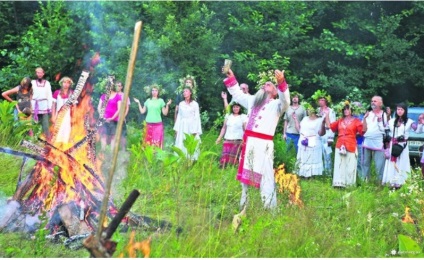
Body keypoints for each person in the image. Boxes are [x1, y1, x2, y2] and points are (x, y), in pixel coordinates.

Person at [223, 68, 290, 210]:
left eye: (269, 84)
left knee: (266, 176)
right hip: (249, 143)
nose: (265, 85)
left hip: (263, 145)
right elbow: (237, 94)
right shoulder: (253, 100)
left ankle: (269, 208)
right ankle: (244, 205)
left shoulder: (277, 105)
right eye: (264, 84)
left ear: (274, 91)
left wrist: (281, 82)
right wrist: (232, 77)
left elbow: (286, 101)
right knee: (245, 177)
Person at [327, 101, 363, 187]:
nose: (346, 111)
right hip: (340, 144)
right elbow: (331, 127)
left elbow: (362, 132)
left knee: (350, 164)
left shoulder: (356, 121)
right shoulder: (340, 120)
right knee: (339, 164)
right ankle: (339, 183)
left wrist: (364, 119)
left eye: (348, 109)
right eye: (344, 109)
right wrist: (327, 115)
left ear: (352, 110)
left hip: (350, 144)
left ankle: (349, 184)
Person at [382, 103, 418, 188]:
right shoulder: (391, 121)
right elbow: (385, 129)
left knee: (402, 162)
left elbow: (416, 128)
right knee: (392, 163)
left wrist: (420, 122)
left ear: (405, 111)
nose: (399, 111)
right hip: (393, 144)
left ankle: (401, 182)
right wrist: (387, 117)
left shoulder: (409, 121)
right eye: (398, 109)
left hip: (402, 145)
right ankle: (391, 182)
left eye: (401, 109)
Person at [294, 102, 327, 178]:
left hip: (313, 142)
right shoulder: (305, 119)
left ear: (314, 110)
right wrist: (295, 119)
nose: (308, 110)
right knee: (303, 158)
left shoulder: (319, 120)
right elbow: (299, 129)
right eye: (307, 109)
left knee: (312, 158)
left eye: (309, 109)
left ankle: (312, 175)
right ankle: (302, 174)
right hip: (303, 141)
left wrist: (323, 124)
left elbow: (321, 133)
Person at [361, 96, 390, 182]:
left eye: (375, 101)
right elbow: (363, 129)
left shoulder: (384, 114)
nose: (373, 102)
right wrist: (364, 119)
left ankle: (379, 182)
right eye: (372, 101)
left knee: (379, 164)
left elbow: (386, 128)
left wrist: (387, 117)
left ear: (381, 104)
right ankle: (365, 181)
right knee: (365, 163)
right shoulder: (368, 113)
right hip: (367, 141)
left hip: (378, 142)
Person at [134, 84, 172, 149]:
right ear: (151, 92)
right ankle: (147, 158)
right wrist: (138, 103)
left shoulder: (161, 101)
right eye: (153, 90)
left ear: (158, 92)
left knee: (156, 143)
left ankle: (156, 157)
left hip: (158, 125)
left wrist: (167, 105)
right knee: (147, 143)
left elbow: (165, 113)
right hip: (148, 125)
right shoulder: (148, 101)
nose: (154, 92)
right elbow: (142, 111)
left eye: (156, 90)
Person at [173, 86, 202, 160]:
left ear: (190, 93)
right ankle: (181, 158)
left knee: (191, 141)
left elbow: (197, 117)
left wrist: (195, 130)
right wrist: (176, 129)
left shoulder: (195, 104)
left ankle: (191, 159)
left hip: (192, 125)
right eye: (183, 92)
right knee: (181, 140)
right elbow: (179, 117)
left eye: (186, 91)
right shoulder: (181, 104)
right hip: (182, 125)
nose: (184, 93)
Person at [215, 102, 247, 168]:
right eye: (234, 107)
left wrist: (245, 140)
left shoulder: (243, 116)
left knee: (234, 159)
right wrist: (219, 138)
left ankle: (233, 172)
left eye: (237, 107)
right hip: (227, 139)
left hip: (238, 140)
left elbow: (245, 129)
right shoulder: (228, 116)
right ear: (232, 108)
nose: (235, 108)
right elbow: (224, 128)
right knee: (224, 158)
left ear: (240, 108)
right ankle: (222, 171)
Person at [97, 83, 122, 151]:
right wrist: (102, 117)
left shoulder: (118, 96)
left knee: (113, 136)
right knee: (103, 135)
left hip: (114, 120)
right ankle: (103, 151)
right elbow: (99, 107)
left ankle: (112, 152)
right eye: (106, 87)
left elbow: (119, 109)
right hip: (104, 120)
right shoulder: (103, 96)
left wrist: (112, 118)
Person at [316, 94, 336, 175]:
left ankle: (328, 173)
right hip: (318, 134)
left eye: (323, 100)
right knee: (318, 153)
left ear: (326, 101)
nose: (321, 101)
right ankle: (319, 172)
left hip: (327, 134)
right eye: (320, 100)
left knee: (327, 154)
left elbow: (333, 124)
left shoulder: (331, 111)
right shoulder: (316, 110)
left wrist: (331, 137)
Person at [51, 76, 74, 144]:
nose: (66, 84)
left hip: (67, 116)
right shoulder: (56, 92)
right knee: (57, 130)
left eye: (68, 83)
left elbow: (74, 106)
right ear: (61, 83)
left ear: (70, 84)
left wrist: (74, 116)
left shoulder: (72, 93)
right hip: (58, 115)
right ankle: (57, 146)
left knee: (67, 130)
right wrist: (53, 115)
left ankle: (65, 146)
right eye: (64, 82)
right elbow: (53, 105)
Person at [31, 67, 53, 139]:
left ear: (43, 74)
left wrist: (49, 107)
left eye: (41, 72)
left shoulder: (47, 83)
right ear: (36, 74)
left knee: (45, 125)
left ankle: (47, 140)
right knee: (32, 124)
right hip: (34, 105)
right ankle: (32, 139)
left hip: (44, 106)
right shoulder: (32, 82)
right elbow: (29, 94)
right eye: (38, 72)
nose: (39, 74)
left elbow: (49, 95)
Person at [116, 81, 130, 150]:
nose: (117, 87)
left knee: (123, 135)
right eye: (116, 85)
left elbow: (127, 108)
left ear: (121, 87)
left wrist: (123, 116)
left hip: (121, 118)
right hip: (113, 118)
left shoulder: (124, 95)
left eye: (119, 86)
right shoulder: (112, 95)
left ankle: (123, 149)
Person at [415, 113, 424, 178]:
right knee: (423, 163)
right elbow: (417, 132)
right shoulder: (422, 124)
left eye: (421, 118)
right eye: (419, 118)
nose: (420, 119)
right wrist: (419, 123)